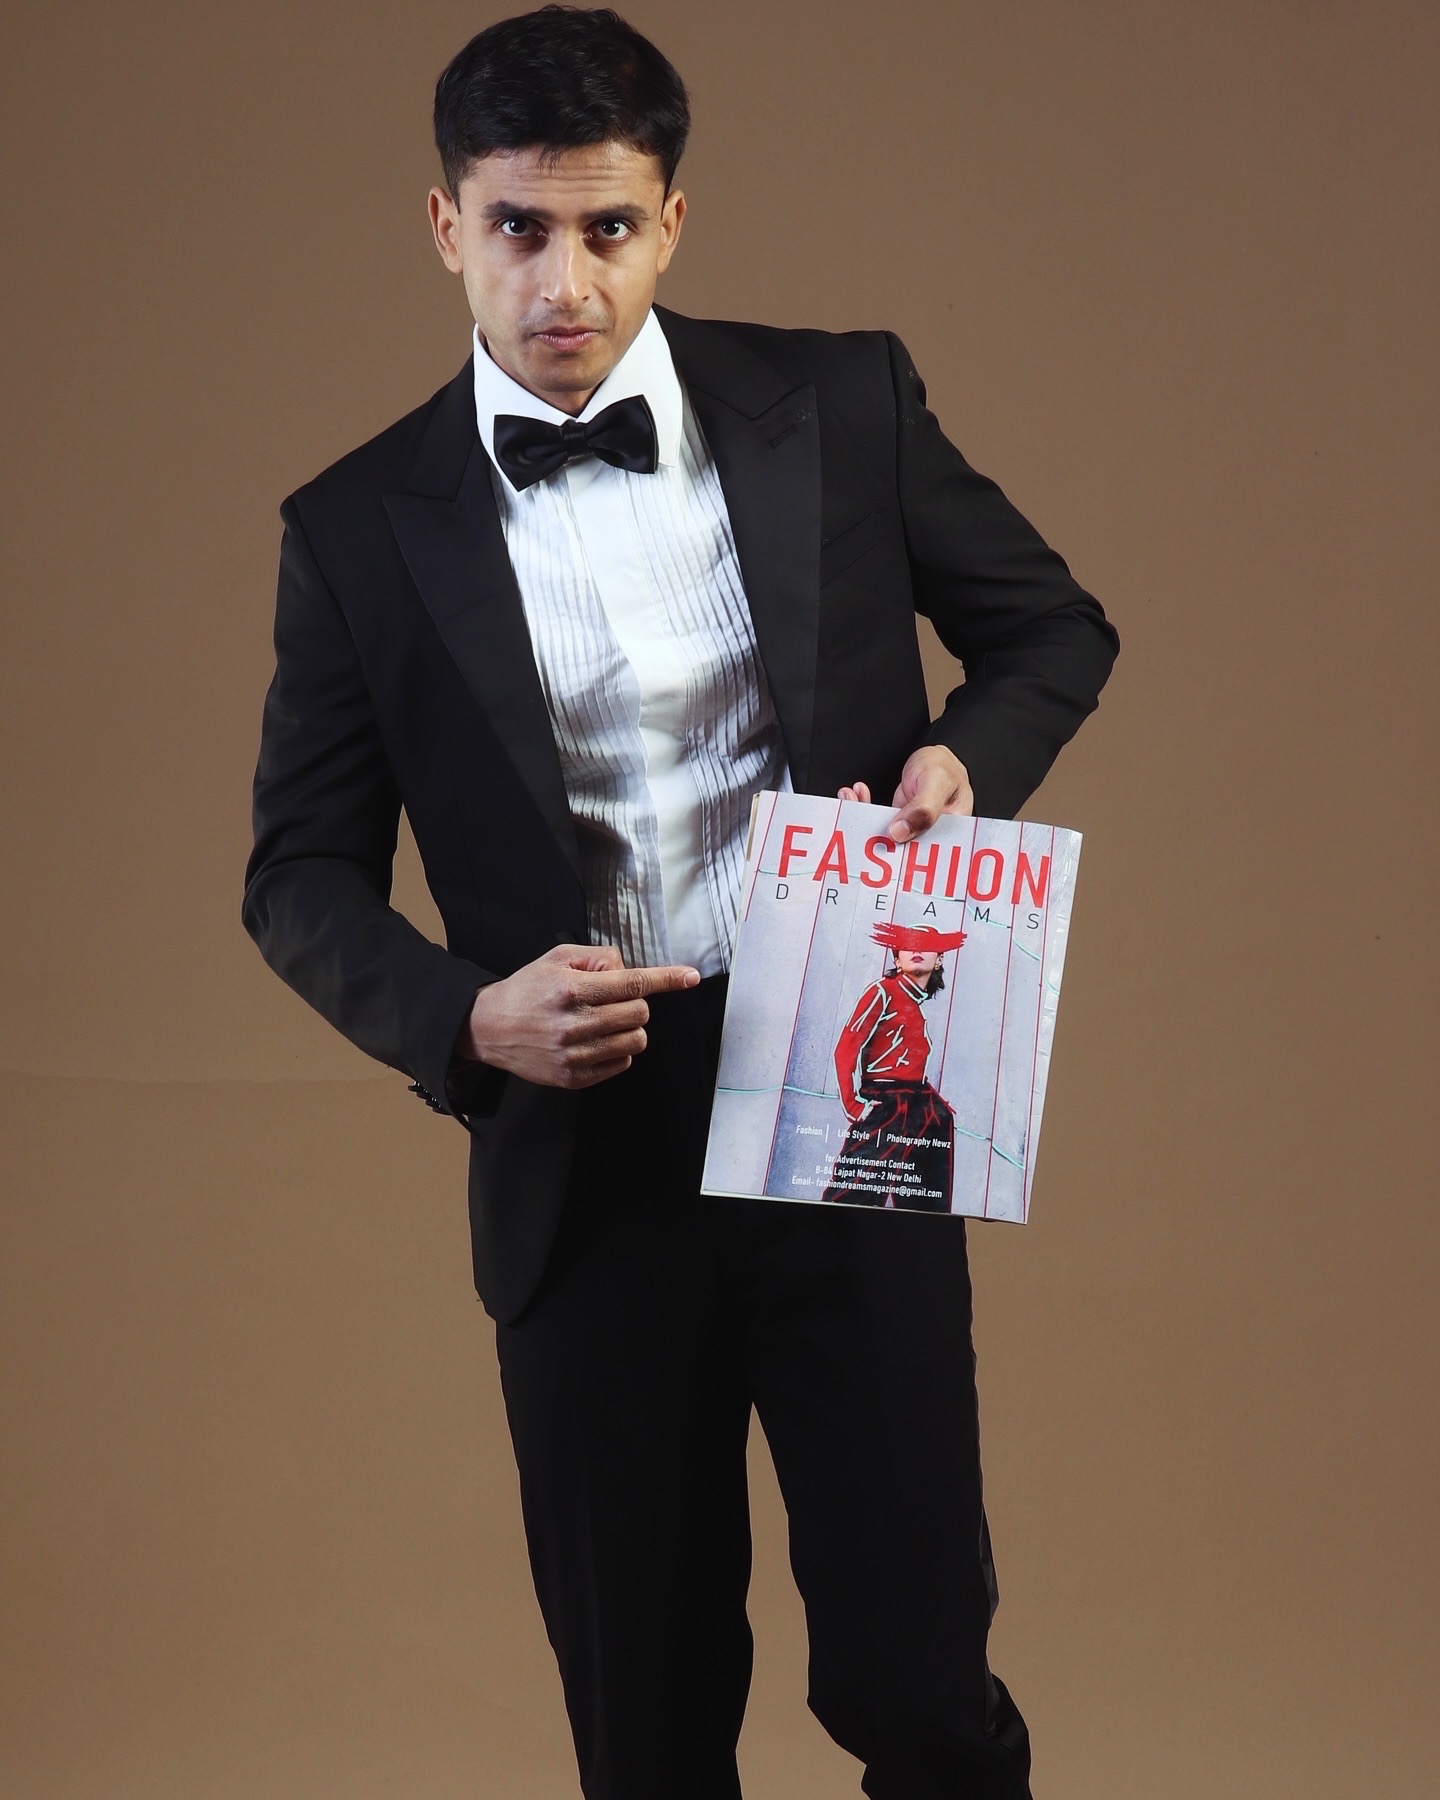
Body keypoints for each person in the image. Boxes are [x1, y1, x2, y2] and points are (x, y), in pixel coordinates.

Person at [241, 8, 1119, 1796]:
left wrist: (962, 763)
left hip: (843, 1086)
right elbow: (296, 874)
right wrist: (465, 1019)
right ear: (445, 224)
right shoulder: (356, 525)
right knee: (643, 1719)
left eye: (609, 228)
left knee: (920, 1680)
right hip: (582, 1149)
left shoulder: (842, 403)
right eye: (518, 228)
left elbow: (1051, 629)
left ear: (674, 221)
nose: (562, 281)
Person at [821, 921, 965, 1211]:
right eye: (908, 945)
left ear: (939, 960)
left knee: (927, 1204)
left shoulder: (917, 1004)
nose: (916, 950)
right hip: (887, 1103)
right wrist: (854, 1106)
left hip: (924, 1107)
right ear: (897, 959)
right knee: (852, 1195)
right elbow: (846, 1048)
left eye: (925, 946)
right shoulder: (882, 991)